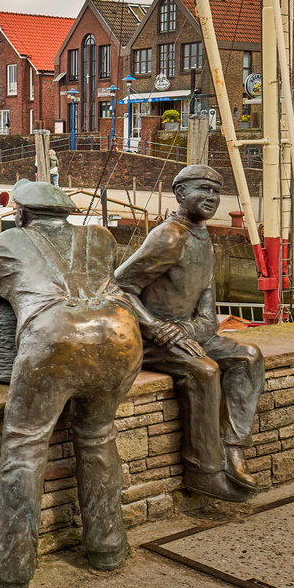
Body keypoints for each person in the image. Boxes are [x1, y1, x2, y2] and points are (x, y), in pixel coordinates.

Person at [0, 179, 143, 588]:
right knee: (98, 436)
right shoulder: (101, 237)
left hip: (55, 340)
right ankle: (106, 549)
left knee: (24, 448)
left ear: (23, 214)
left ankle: (10, 579)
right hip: (121, 335)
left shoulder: (9, 240)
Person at [114, 165, 264, 502]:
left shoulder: (204, 239)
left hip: (188, 334)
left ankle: (233, 449)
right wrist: (156, 326)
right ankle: (204, 471)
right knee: (205, 371)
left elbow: (208, 314)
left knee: (249, 358)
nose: (212, 197)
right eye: (203, 189)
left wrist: (189, 330)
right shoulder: (170, 236)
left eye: (216, 191)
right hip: (153, 341)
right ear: (180, 194)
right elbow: (118, 287)